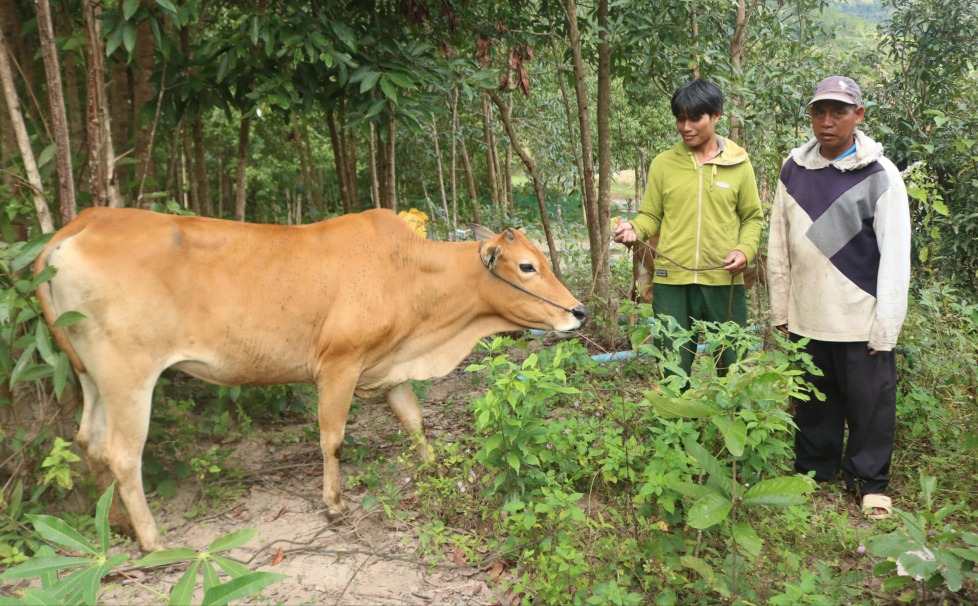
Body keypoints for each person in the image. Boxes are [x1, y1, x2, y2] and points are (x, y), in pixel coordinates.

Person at [767, 75, 911, 520]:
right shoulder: (793, 169)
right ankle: (814, 469)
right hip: (808, 313)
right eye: (819, 112)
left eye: (839, 112)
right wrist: (781, 308)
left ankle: (870, 482)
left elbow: (895, 258)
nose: (827, 122)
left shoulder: (880, 175)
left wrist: (885, 328)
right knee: (813, 401)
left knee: (870, 405)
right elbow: (778, 242)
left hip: (859, 316)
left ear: (859, 116)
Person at [614, 79, 763, 382]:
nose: (685, 126)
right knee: (673, 362)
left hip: (724, 279)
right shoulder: (664, 165)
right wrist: (633, 228)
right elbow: (650, 217)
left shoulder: (739, 164)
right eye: (680, 118)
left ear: (716, 115)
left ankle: (729, 421)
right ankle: (677, 422)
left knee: (731, 360)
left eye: (695, 118)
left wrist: (744, 250)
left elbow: (752, 218)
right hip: (672, 281)